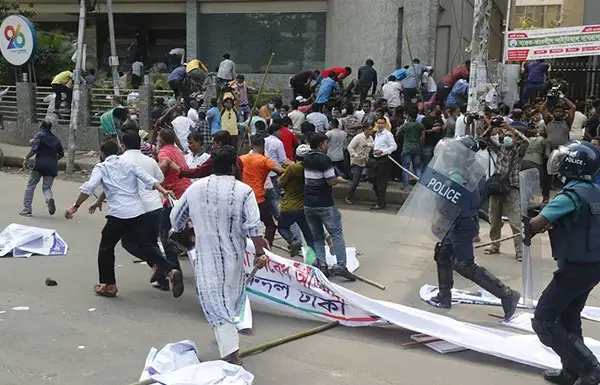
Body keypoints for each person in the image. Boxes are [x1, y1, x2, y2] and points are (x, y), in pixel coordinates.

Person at [170, 145, 269, 366]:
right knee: (226, 306)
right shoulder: (244, 191)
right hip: (235, 258)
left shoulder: (195, 189)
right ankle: (231, 352)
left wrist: (189, 228)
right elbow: (254, 227)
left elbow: (176, 220)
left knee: (218, 306)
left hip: (206, 259)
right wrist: (260, 253)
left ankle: (232, 356)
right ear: (234, 166)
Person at [65, 140, 184, 298]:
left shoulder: (102, 167)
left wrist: (75, 206)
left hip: (119, 214)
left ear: (102, 153)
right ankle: (170, 270)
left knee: (106, 248)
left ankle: (109, 285)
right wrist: (164, 191)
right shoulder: (128, 164)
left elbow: (89, 187)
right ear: (118, 151)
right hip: (137, 212)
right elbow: (148, 179)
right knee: (147, 245)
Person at [528, 141, 600, 385]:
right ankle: (572, 371)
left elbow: (535, 224)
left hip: (575, 268)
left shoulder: (570, 194)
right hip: (593, 266)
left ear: (573, 165)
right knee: (569, 316)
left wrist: (530, 222)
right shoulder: (594, 191)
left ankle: (591, 368)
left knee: (544, 320)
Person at [428, 136, 521, 320]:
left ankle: (507, 294)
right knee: (443, 255)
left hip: (461, 223)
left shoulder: (458, 174)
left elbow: (449, 203)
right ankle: (444, 296)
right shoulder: (473, 169)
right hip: (462, 221)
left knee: (465, 265)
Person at [303, 133, 354, 280]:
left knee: (318, 237)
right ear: (320, 145)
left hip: (308, 204)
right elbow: (330, 181)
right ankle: (341, 266)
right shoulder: (324, 159)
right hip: (324, 203)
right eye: (326, 143)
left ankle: (322, 265)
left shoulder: (307, 157)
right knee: (336, 233)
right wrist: (340, 180)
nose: (328, 146)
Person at [483, 120, 530, 260]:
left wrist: (511, 128)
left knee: (515, 221)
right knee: (494, 219)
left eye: (511, 135)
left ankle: (520, 251)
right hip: (497, 188)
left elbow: (525, 142)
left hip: (512, 189)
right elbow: (485, 139)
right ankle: (494, 245)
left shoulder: (518, 150)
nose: (508, 137)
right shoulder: (501, 147)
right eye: (506, 134)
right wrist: (492, 126)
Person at [240, 135, 285, 245]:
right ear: (263, 147)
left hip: (243, 197)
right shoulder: (264, 160)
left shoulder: (241, 159)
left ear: (251, 145)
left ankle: (248, 246)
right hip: (258, 198)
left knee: (244, 224)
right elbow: (280, 170)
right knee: (270, 225)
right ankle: (266, 246)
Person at [157, 129, 192, 270]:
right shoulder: (177, 151)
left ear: (162, 141)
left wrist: (156, 177)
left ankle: (172, 268)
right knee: (181, 229)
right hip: (186, 192)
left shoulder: (164, 151)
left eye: (158, 140)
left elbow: (164, 163)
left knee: (165, 232)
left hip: (174, 196)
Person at [277, 144, 315, 257]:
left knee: (282, 227)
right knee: (309, 237)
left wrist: (284, 171)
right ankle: (313, 261)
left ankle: (293, 240)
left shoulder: (293, 168)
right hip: (305, 206)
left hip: (289, 205)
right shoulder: (312, 169)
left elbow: (280, 183)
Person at [20, 120, 64, 217]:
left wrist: (26, 158)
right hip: (52, 166)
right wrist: (53, 160)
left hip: (40, 164)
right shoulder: (56, 139)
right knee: (46, 187)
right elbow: (62, 154)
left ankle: (27, 209)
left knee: (30, 186)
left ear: (41, 126)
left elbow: (34, 149)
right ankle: (49, 199)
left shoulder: (40, 135)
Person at [372, 117, 397, 210]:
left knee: (381, 184)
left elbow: (394, 146)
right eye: (378, 123)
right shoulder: (377, 134)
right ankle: (379, 200)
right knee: (375, 183)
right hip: (376, 160)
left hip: (385, 160)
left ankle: (381, 203)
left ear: (385, 124)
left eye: (382, 123)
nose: (380, 125)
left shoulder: (388, 134)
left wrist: (383, 151)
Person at [345, 123, 374, 204]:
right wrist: (355, 155)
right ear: (365, 129)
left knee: (376, 166)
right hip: (357, 161)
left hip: (365, 159)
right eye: (369, 129)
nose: (371, 131)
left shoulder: (370, 138)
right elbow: (350, 147)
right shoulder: (358, 137)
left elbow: (372, 146)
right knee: (355, 181)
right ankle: (348, 197)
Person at [397, 107, 425, 190]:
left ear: (408, 116)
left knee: (406, 167)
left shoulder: (405, 125)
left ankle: (405, 186)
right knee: (417, 167)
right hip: (417, 147)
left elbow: (397, 133)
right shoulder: (420, 125)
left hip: (407, 147)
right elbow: (423, 137)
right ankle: (420, 186)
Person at [521, 126, 551, 203]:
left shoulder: (530, 139)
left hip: (524, 161)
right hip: (536, 163)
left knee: (525, 183)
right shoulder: (545, 141)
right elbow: (547, 155)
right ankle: (535, 202)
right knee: (538, 183)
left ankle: (525, 200)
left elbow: (522, 149)